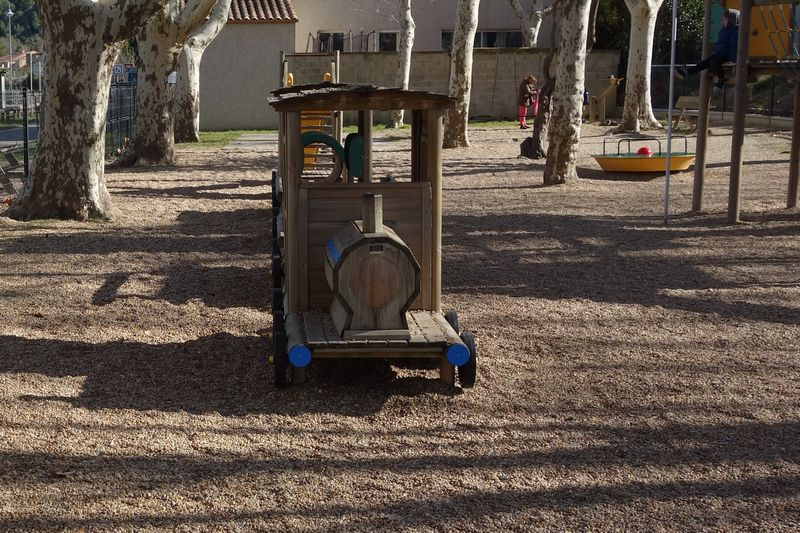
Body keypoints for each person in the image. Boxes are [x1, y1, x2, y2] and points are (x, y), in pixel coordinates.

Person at [677, 9, 740, 88]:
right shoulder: (724, 30)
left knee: (713, 62)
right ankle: (687, 72)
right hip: (721, 54)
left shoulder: (735, 31)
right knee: (706, 62)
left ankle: (721, 79)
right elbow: (721, 44)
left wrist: (734, 59)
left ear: (731, 20)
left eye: (725, 19)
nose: (723, 21)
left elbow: (733, 45)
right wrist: (716, 50)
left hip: (728, 56)